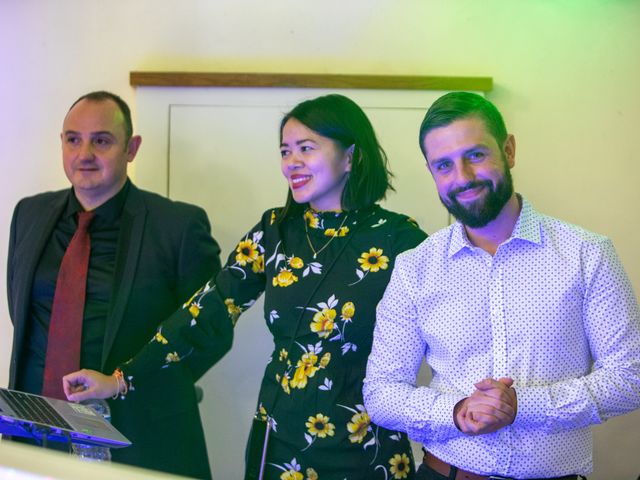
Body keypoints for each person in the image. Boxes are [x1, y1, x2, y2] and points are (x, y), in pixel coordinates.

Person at [63, 93, 428, 479]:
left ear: (351, 155)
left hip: (366, 446)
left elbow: (447, 332)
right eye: (285, 151)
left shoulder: (398, 239)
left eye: (307, 148)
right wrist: (121, 379)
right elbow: (208, 309)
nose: (292, 163)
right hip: (279, 441)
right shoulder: (275, 230)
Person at [363, 91, 640, 480]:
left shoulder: (587, 254)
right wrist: (458, 412)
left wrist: (521, 406)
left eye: (475, 155)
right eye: (444, 165)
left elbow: (630, 377)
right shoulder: (415, 268)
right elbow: (381, 392)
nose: (463, 178)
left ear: (508, 150)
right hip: (446, 473)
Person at [6, 91, 222, 479]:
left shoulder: (178, 227)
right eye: (73, 139)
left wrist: (128, 385)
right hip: (36, 434)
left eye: (101, 140)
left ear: (131, 147)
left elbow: (209, 334)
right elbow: (25, 316)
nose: (84, 153)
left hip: (142, 437)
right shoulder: (29, 214)